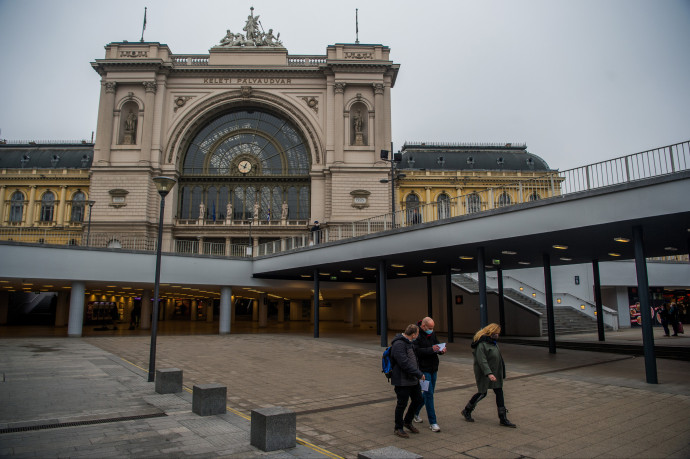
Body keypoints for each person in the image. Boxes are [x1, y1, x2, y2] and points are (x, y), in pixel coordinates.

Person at [461, 323, 516, 428]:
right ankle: (467, 410)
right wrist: (489, 373)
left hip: (495, 372)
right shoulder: (481, 344)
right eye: (496, 333)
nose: (498, 335)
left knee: (499, 392)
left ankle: (503, 417)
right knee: (482, 392)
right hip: (485, 373)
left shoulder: (493, 343)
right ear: (491, 332)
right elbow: (482, 361)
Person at [390, 324, 425, 438]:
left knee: (418, 399)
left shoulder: (410, 343)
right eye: (418, 334)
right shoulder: (399, 344)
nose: (418, 336)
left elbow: (414, 359)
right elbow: (404, 362)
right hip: (402, 380)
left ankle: (407, 421)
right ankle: (398, 427)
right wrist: (418, 373)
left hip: (413, 379)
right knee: (402, 404)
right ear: (413, 334)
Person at [413, 317, 446, 432]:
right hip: (423, 370)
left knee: (428, 393)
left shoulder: (432, 333)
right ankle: (433, 422)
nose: (431, 330)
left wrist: (440, 350)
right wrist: (431, 349)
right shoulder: (416, 334)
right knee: (429, 394)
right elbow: (416, 351)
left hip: (433, 368)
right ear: (423, 326)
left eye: (432, 328)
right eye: (430, 328)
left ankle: (414, 412)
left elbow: (436, 344)